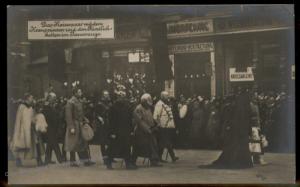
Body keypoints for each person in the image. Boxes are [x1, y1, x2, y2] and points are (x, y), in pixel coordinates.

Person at [209, 87, 253, 169]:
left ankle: (234, 159)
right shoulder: (241, 105)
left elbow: (227, 118)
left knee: (232, 144)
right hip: (239, 129)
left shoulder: (230, 107)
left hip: (232, 128)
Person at [10, 93, 44, 167]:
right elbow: (19, 119)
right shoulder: (22, 107)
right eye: (31, 98)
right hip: (24, 129)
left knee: (36, 143)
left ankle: (39, 160)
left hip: (32, 128)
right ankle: (18, 160)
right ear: (27, 98)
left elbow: (32, 116)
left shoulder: (31, 106)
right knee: (22, 145)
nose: (32, 99)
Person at [106, 91, 137, 170]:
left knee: (127, 147)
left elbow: (130, 120)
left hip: (125, 131)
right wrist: (111, 132)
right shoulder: (113, 107)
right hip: (116, 131)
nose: (122, 98)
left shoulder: (128, 107)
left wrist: (131, 130)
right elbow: (111, 121)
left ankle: (128, 164)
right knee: (113, 147)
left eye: (123, 96)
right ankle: (109, 163)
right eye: (120, 96)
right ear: (118, 97)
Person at [64, 88, 95, 167]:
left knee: (82, 142)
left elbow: (81, 113)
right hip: (74, 125)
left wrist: (84, 119)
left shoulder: (79, 101)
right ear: (74, 93)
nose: (81, 93)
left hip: (80, 124)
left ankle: (85, 160)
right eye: (79, 92)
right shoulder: (70, 102)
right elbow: (68, 116)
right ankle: (72, 161)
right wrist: (71, 127)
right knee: (73, 143)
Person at [132, 93, 162, 167]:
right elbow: (140, 121)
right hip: (140, 131)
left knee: (153, 145)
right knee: (138, 146)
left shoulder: (148, 108)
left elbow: (151, 119)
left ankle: (154, 161)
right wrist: (148, 129)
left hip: (150, 130)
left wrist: (155, 125)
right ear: (143, 101)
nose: (148, 104)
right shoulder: (138, 109)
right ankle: (132, 161)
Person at [153, 91, 179, 163]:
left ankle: (161, 157)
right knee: (165, 142)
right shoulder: (159, 104)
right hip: (163, 126)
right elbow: (155, 116)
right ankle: (171, 156)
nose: (168, 97)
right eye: (166, 96)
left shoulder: (166, 104)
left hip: (168, 126)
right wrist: (159, 124)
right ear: (162, 97)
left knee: (165, 142)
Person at [43, 92, 63, 165]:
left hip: (53, 126)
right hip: (49, 126)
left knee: (50, 144)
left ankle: (47, 160)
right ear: (49, 98)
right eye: (53, 98)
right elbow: (47, 115)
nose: (55, 99)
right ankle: (60, 159)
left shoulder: (53, 105)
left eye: (55, 98)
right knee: (54, 143)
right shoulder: (47, 105)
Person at [94, 90, 112, 165]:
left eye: (107, 94)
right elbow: (96, 114)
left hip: (109, 123)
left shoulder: (110, 103)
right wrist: (99, 118)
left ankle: (110, 156)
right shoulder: (99, 104)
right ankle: (105, 158)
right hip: (102, 124)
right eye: (105, 95)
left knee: (110, 141)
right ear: (102, 95)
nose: (106, 96)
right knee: (103, 142)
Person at [249, 94, 268, 165]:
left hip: (258, 126)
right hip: (253, 126)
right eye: (254, 97)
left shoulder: (257, 106)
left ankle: (258, 159)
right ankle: (255, 159)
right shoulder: (250, 105)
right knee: (254, 143)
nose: (256, 99)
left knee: (259, 142)